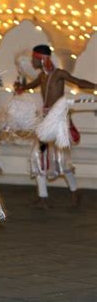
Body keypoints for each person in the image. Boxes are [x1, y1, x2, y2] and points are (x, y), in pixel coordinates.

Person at [15, 45, 96, 208]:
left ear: (42, 59)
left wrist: (95, 86)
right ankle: (43, 197)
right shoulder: (42, 76)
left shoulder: (59, 74)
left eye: (34, 58)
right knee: (37, 155)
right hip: (46, 120)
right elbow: (32, 85)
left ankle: (75, 192)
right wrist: (22, 88)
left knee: (62, 158)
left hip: (58, 120)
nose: (32, 61)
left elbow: (78, 82)